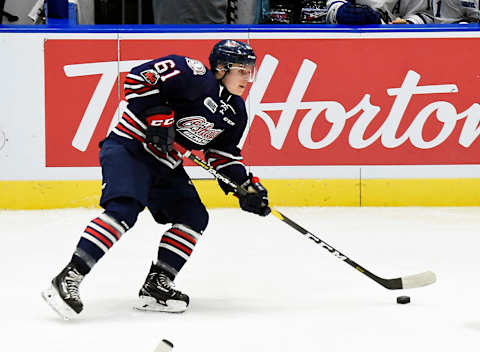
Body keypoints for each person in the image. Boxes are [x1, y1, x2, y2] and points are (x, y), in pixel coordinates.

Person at [41, 39, 270, 319]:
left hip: (165, 165)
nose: (248, 78)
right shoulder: (193, 74)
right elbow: (139, 77)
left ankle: (156, 285)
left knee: (193, 216)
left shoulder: (236, 112)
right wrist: (157, 116)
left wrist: (244, 186)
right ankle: (70, 275)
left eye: (251, 71)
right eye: (242, 70)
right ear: (221, 68)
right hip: (130, 148)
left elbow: (222, 156)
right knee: (124, 209)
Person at [326, 0, 434, 25]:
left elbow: (424, 14)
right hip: (351, 38)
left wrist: (409, 24)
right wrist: (339, 11)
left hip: (396, 47)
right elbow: (332, 6)